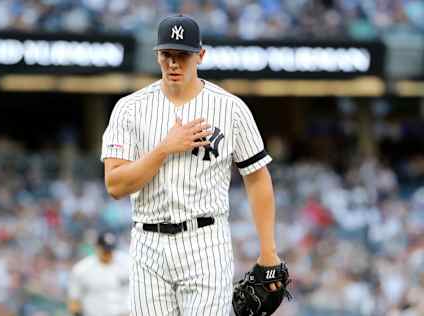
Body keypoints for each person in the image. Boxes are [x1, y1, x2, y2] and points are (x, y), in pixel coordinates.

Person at [101, 14, 283, 316]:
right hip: (148, 245)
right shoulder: (129, 109)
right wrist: (164, 149)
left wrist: (269, 252)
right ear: (157, 55)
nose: (173, 64)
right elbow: (115, 185)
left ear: (200, 55)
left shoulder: (231, 108)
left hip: (206, 242)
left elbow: (257, 178)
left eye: (182, 55)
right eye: (167, 55)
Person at [67, 231, 130, 316]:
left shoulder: (128, 263)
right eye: (105, 250)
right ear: (97, 248)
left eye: (110, 250)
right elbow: (74, 300)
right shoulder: (82, 269)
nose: (108, 253)